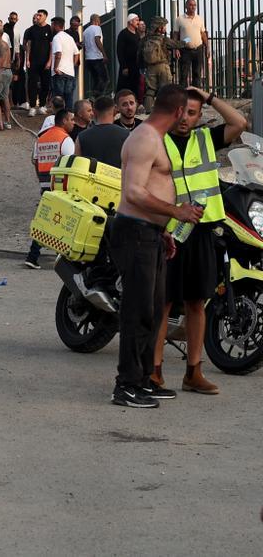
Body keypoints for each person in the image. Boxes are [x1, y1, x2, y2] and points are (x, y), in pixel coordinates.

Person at [109, 84, 206, 408]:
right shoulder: (144, 139)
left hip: (149, 232)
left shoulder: (152, 138)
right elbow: (134, 192)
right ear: (178, 111)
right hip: (134, 232)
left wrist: (163, 229)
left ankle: (144, 380)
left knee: (152, 309)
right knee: (136, 311)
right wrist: (176, 212)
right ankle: (126, 385)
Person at [150, 86, 248, 397]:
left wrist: (209, 98)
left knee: (196, 302)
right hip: (169, 231)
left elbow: (240, 124)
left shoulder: (206, 139)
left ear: (198, 116)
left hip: (202, 230)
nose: (186, 118)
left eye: (193, 113)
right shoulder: (157, 140)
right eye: (182, 111)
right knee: (163, 302)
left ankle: (193, 372)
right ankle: (154, 371)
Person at [25, 107, 76, 269]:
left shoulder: (41, 139)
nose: (73, 123)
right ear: (64, 121)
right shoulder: (65, 139)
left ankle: (33, 256)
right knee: (62, 222)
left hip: (45, 185)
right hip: (61, 187)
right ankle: (56, 257)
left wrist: (42, 180)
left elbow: (36, 161)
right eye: (71, 119)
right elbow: (71, 164)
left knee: (46, 220)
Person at [142, 17, 184, 113]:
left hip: (150, 67)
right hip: (163, 66)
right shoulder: (163, 39)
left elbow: (139, 54)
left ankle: (147, 110)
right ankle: (165, 110)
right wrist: (187, 40)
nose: (165, 28)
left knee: (150, 90)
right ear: (159, 28)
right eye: (164, 26)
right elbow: (177, 44)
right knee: (166, 90)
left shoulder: (146, 39)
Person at [76, 95, 129, 167]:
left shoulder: (81, 137)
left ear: (94, 112)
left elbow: (77, 165)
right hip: (117, 177)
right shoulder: (126, 135)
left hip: (90, 177)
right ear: (115, 110)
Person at [22, 9, 53, 115]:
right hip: (33, 62)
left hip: (45, 62)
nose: (38, 17)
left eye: (40, 15)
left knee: (45, 84)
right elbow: (28, 45)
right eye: (37, 15)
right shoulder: (31, 29)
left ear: (45, 16)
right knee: (32, 84)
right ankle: (32, 106)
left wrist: (49, 61)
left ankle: (42, 105)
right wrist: (27, 60)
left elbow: (51, 46)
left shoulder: (49, 29)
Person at [174, 0, 209, 89]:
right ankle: (183, 95)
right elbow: (176, 35)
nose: (193, 7)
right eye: (190, 5)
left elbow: (203, 34)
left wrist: (207, 47)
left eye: (194, 5)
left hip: (198, 49)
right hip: (185, 50)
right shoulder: (179, 19)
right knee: (183, 74)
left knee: (197, 73)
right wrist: (176, 48)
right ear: (186, 6)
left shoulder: (199, 19)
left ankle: (195, 95)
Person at [50, 16, 81, 112]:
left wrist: (55, 68)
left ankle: (59, 119)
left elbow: (58, 53)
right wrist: (73, 65)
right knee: (69, 98)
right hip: (70, 72)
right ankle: (69, 119)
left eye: (52, 25)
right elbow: (77, 53)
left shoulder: (57, 38)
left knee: (58, 99)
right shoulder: (70, 38)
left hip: (59, 72)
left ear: (55, 25)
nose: (51, 27)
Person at [116, 13, 143, 99]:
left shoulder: (137, 34)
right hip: (127, 66)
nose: (138, 22)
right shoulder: (123, 34)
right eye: (136, 20)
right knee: (124, 86)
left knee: (135, 86)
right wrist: (124, 66)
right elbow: (120, 51)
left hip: (136, 66)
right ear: (130, 22)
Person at [82, 14, 107, 98]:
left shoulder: (85, 31)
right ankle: (97, 97)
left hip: (88, 59)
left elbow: (84, 45)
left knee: (96, 79)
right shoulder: (97, 28)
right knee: (104, 79)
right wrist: (104, 54)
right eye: (99, 20)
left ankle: (94, 97)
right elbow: (97, 39)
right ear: (96, 20)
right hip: (96, 57)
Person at [0, 27, 14, 130]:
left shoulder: (1, 44)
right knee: (5, 98)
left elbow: (1, 59)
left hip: (2, 72)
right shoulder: (4, 44)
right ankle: (7, 122)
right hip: (8, 71)